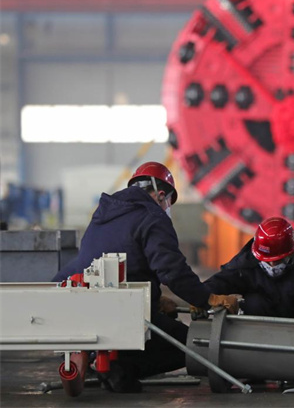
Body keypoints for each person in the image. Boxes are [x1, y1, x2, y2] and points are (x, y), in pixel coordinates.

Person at [53, 161, 239, 392]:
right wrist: (207, 298)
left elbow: (125, 261)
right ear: (161, 195)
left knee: (157, 324)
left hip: (74, 306)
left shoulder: (104, 213)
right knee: (194, 344)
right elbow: (172, 271)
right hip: (119, 311)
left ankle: (96, 360)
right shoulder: (153, 216)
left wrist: (154, 299)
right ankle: (119, 368)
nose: (168, 207)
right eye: (169, 201)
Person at [204, 217, 294, 319]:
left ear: (292, 253)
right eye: (266, 260)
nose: (272, 265)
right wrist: (201, 298)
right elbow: (220, 282)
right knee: (254, 302)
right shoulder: (244, 267)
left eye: (278, 260)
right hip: (255, 333)